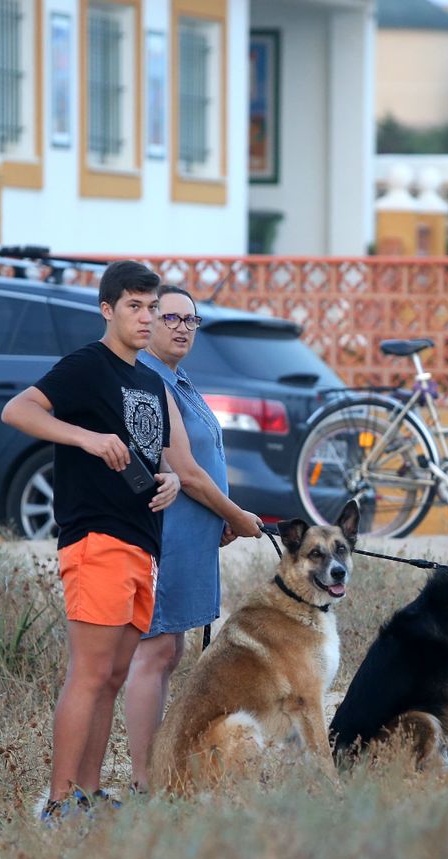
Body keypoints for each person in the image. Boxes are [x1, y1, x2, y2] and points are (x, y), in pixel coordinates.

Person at [0, 260, 185, 823]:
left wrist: (173, 480)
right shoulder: (87, 365)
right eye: (135, 306)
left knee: (113, 675)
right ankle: (56, 805)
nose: (146, 317)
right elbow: (18, 410)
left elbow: (166, 459)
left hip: (141, 544)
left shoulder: (151, 380)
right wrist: (85, 438)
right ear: (108, 309)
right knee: (89, 672)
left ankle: (87, 790)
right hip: (96, 539)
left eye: (152, 307)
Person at [123, 285, 264, 792]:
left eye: (191, 320)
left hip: (194, 535)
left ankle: (161, 767)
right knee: (154, 651)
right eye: (171, 317)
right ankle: (145, 779)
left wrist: (219, 518)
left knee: (170, 651)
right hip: (168, 534)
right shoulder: (150, 382)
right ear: (148, 322)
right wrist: (238, 515)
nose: (182, 327)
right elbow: (185, 470)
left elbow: (205, 468)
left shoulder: (178, 381)